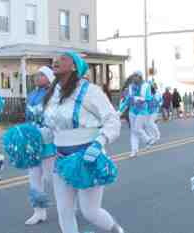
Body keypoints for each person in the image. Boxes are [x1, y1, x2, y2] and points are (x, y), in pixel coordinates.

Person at [40, 51, 124, 233]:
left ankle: (117, 230)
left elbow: (112, 120)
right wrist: (37, 137)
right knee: (64, 211)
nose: (56, 60)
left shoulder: (90, 91)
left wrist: (99, 143)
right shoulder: (53, 94)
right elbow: (53, 128)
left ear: (74, 66)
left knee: (90, 211)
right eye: (56, 58)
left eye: (63, 58)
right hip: (61, 159)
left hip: (87, 158)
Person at [24, 66, 57, 225]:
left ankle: (70, 203)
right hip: (32, 142)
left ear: (50, 78)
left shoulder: (55, 94)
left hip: (48, 142)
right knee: (34, 178)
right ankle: (39, 211)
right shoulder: (31, 95)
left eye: (41, 75)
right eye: (36, 75)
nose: (37, 77)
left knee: (52, 177)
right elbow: (27, 117)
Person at [121, 71, 154, 157]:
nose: (133, 78)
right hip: (132, 111)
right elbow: (127, 99)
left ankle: (147, 139)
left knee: (137, 128)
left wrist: (138, 99)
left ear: (140, 77)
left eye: (135, 76)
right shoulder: (131, 86)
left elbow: (149, 98)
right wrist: (120, 111)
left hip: (142, 110)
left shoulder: (146, 86)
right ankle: (134, 151)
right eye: (133, 76)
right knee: (133, 131)